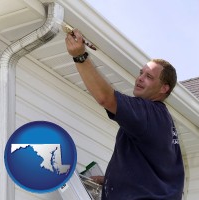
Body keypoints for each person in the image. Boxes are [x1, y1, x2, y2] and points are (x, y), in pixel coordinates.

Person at [65, 29, 185, 200]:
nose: (140, 78)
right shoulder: (160, 121)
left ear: (164, 88)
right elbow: (153, 175)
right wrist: (110, 181)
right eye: (140, 73)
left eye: (149, 76)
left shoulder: (149, 113)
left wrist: (79, 56)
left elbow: (105, 98)